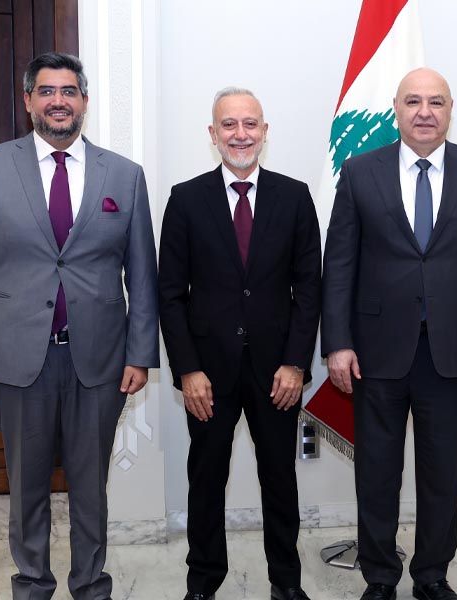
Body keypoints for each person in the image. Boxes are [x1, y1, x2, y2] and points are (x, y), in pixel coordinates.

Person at [0, 52, 158, 600]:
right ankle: (32, 586)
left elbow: (142, 275)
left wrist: (140, 354)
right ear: (28, 101)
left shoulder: (124, 175)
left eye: (68, 91)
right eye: (46, 91)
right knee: (27, 488)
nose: (58, 101)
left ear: (84, 101)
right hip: (15, 361)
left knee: (91, 489)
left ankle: (91, 586)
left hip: (99, 363)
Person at [321, 67, 457, 600]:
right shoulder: (360, 170)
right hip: (375, 350)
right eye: (413, 101)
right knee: (376, 472)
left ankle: (431, 575)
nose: (425, 112)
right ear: (396, 109)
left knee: (442, 473)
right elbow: (339, 264)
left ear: (451, 109)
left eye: (436, 102)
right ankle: (380, 576)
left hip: (453, 350)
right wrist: (337, 342)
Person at [159, 87, 321, 600]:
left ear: (265, 132)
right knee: (206, 480)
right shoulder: (186, 199)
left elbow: (309, 289)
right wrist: (187, 370)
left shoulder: (295, 197)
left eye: (250, 124)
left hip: (278, 373)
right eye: (228, 125)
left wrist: (296, 363)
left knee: (280, 481)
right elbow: (170, 294)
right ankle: (203, 584)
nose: (240, 134)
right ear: (213, 134)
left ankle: (286, 584)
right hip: (207, 374)